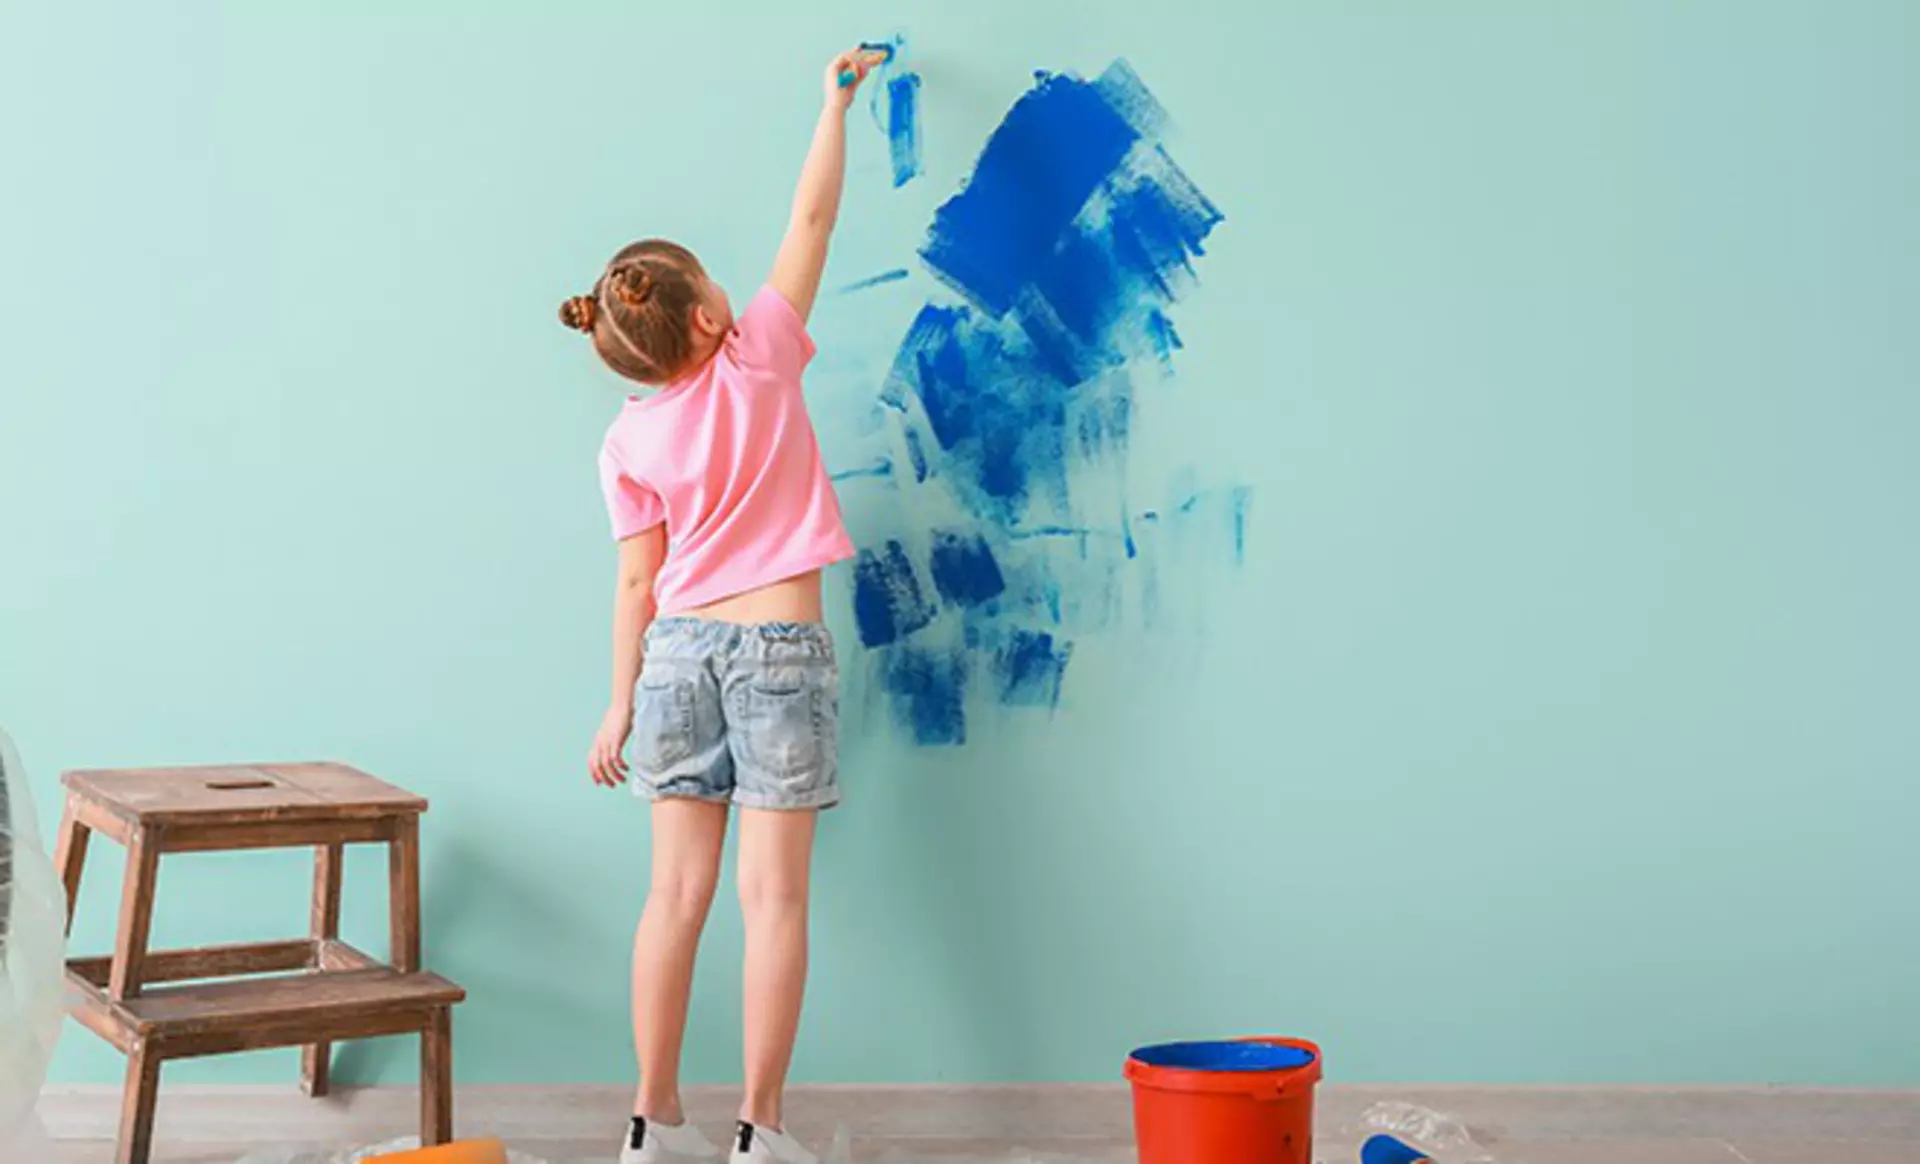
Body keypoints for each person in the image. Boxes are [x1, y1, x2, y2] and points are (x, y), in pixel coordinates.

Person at [558, 45, 881, 1164]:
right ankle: (762, 1132)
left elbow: (638, 582)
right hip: (778, 649)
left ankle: (650, 1124)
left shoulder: (629, 435)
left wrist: (616, 705)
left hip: (676, 661)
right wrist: (835, 103)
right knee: (772, 905)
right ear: (706, 319)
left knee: (673, 897)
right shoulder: (760, 360)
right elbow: (812, 217)